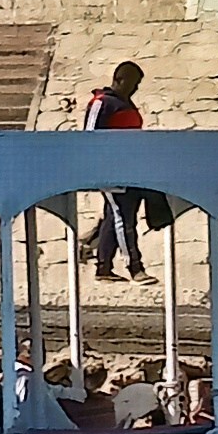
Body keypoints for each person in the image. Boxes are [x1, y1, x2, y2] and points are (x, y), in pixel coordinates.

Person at [81, 58, 150, 278]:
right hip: (110, 169)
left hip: (131, 169)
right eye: (133, 83)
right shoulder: (102, 102)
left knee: (115, 215)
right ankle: (134, 268)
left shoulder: (127, 104)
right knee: (122, 217)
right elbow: (89, 136)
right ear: (119, 80)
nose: (136, 88)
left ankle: (103, 266)